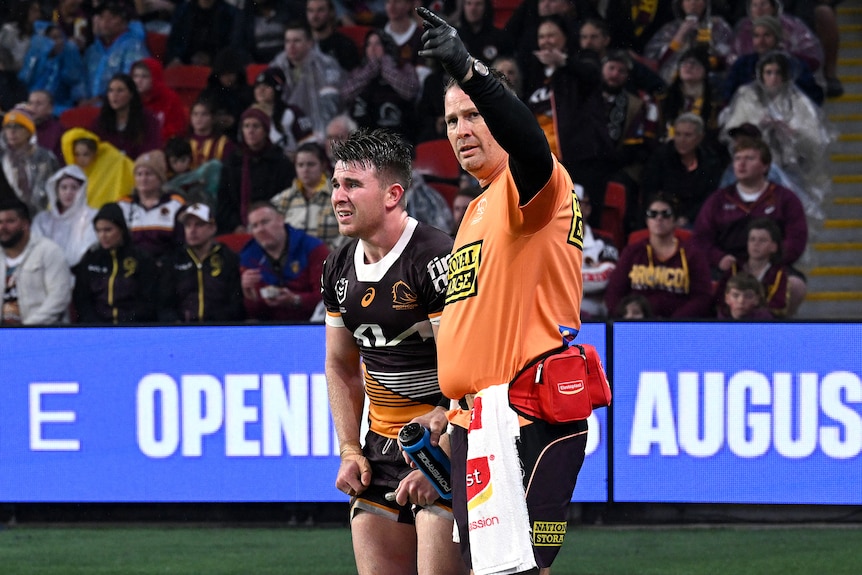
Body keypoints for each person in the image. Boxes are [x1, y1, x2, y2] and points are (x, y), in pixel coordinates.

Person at [418, 8, 588, 574]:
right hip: (475, 419)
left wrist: (470, 71)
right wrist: (450, 410)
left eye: (473, 115)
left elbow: (532, 146)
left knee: (517, 571)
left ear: (500, 116)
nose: (461, 130)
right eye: (451, 121)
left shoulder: (532, 181)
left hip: (524, 412)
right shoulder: (476, 208)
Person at [321, 128, 464, 575]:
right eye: (335, 184)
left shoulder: (437, 259)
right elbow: (341, 365)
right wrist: (349, 449)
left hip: (446, 444)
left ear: (392, 194)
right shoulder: (338, 266)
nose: (338, 197)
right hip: (380, 449)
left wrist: (441, 449)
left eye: (352, 185)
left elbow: (471, 370)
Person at [693, 137, 808, 304]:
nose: (741, 164)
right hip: (727, 266)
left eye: (749, 158)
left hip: (771, 265)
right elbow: (700, 239)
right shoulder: (718, 199)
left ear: (765, 166)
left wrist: (771, 260)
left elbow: (797, 239)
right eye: (738, 159)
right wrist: (718, 258)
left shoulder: (785, 198)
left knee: (796, 286)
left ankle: (776, 326)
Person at [720, 51, 833, 215]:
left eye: (778, 72)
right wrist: (758, 126)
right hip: (752, 169)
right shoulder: (747, 97)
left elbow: (815, 140)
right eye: (768, 72)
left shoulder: (798, 102)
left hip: (789, 167)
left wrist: (792, 134)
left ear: (786, 75)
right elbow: (732, 133)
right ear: (761, 74)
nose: (773, 78)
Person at [605, 193, 713, 318]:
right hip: (637, 325)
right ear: (647, 220)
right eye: (653, 214)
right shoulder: (632, 252)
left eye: (665, 214)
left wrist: (672, 323)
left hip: (678, 328)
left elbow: (702, 297)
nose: (659, 218)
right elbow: (614, 293)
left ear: (675, 220)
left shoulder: (693, 254)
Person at [239, 201, 328, 321]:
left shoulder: (313, 248)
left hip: (312, 323)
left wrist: (296, 299)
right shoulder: (248, 257)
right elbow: (254, 313)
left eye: (265, 222)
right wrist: (250, 297)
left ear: (281, 220)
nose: (260, 229)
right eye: (255, 226)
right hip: (269, 327)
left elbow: (327, 298)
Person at [158, 202, 245, 322]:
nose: (192, 230)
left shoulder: (228, 258)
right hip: (182, 330)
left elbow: (236, 303)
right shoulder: (174, 259)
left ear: (212, 228)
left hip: (220, 329)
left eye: (199, 225)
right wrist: (176, 323)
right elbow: (164, 304)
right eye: (188, 225)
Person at [73, 201, 159, 323]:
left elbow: (149, 300)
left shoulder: (141, 258)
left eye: (108, 230)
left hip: (134, 327)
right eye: (98, 231)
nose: (103, 235)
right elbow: (82, 300)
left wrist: (127, 323)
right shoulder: (91, 259)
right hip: (97, 328)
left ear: (121, 229)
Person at [216, 107, 296, 234]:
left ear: (265, 131)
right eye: (246, 126)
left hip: (272, 226)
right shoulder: (233, 161)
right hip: (239, 229)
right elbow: (224, 202)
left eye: (256, 126)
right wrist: (236, 226)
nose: (250, 131)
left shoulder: (280, 161)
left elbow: (285, 199)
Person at [640, 113, 724, 228]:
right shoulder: (661, 157)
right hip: (663, 215)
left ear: (700, 137)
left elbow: (710, 197)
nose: (681, 140)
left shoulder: (710, 161)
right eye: (678, 134)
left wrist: (687, 217)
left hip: (695, 217)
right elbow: (650, 192)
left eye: (688, 135)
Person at [0, 198, 72, 325]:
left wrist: (26, 330)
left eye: (10, 221)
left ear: (26, 224)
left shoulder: (49, 251)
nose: (3, 227)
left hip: (43, 334)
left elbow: (59, 298)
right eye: (0, 222)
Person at [269, 20, 345, 140]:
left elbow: (333, 103)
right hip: (287, 129)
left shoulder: (326, 64)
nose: (291, 46)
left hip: (321, 131)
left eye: (297, 41)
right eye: (287, 41)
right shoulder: (276, 66)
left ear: (309, 43)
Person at [722, 16, 822, 105]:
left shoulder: (796, 64)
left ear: (777, 38)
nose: (761, 41)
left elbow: (813, 97)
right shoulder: (742, 64)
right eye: (757, 36)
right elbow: (729, 96)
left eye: (767, 35)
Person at [341, 29, 419, 141]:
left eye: (377, 44)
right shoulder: (358, 72)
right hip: (362, 134)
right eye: (369, 44)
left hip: (397, 133)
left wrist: (386, 67)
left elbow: (410, 92)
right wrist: (370, 70)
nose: (372, 49)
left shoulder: (404, 68)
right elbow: (345, 94)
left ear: (387, 47)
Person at [714, 217, 796, 317]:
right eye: (752, 239)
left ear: (774, 247)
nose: (755, 244)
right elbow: (720, 299)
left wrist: (751, 313)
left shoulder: (778, 273)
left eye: (762, 240)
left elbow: (778, 306)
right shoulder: (734, 268)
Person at [270, 141, 344, 251]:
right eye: (300, 165)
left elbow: (350, 232)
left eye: (311, 164)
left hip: (331, 262)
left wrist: (328, 255)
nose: (305, 170)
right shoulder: (282, 199)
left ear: (323, 165)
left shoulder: (339, 195)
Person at [643, 0, 735, 84]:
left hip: (711, 83)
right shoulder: (669, 30)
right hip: (673, 85)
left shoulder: (718, 26)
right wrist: (678, 37)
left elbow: (731, 57)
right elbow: (654, 61)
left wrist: (710, 49)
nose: (693, 2)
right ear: (680, 3)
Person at [118, 149, 186, 261]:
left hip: (164, 267)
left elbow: (180, 243)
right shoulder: (123, 204)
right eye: (139, 174)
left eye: (149, 174)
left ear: (160, 178)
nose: (143, 179)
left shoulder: (175, 203)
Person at [82, 0, 149, 104]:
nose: (105, 21)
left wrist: (103, 98)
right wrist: (82, 99)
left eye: (112, 17)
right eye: (102, 17)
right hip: (87, 106)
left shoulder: (134, 46)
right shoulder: (92, 50)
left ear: (124, 22)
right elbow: (81, 80)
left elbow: (131, 82)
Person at [32, 164, 98, 268]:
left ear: (82, 190)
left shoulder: (91, 216)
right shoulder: (43, 219)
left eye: (74, 188)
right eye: (64, 187)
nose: (68, 192)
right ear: (56, 191)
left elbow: (87, 247)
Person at [731, 0, 822, 73]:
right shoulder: (742, 28)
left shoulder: (793, 26)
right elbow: (732, 60)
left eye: (763, 4)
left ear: (774, 7)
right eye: (754, 5)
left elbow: (812, 58)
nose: (759, 9)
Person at [1, 105, 60, 216]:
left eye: (18, 127)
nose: (12, 131)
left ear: (29, 131)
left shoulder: (44, 157)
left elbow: (53, 190)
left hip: (40, 216)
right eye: (8, 127)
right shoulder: (2, 157)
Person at [90, 73, 164, 160]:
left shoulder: (149, 121)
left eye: (120, 90)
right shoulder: (100, 122)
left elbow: (152, 153)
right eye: (111, 90)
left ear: (131, 94)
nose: (114, 95)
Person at [18, 24, 87, 114]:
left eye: (60, 37)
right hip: (33, 107)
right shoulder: (36, 61)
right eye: (53, 38)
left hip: (60, 108)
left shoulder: (69, 58)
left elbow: (75, 82)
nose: (58, 41)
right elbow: (26, 80)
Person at [60, 127, 135, 209]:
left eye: (86, 154)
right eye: (77, 154)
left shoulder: (110, 161)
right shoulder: (69, 173)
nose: (81, 159)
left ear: (94, 153)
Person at [251, 66, 315, 158]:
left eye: (267, 86)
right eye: (258, 86)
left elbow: (310, 146)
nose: (261, 90)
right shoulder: (250, 116)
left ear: (278, 89)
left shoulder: (292, 113)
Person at [578, 186, 618, 319]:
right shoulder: (548, 241)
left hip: (594, 316)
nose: (570, 207)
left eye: (577, 202)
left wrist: (561, 281)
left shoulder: (604, 241)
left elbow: (607, 277)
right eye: (565, 202)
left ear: (588, 209)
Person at [164, 0, 239, 67]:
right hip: (184, 63)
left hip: (216, 66)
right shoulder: (183, 10)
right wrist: (175, 58)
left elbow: (231, 46)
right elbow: (173, 42)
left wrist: (211, 58)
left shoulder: (230, 14)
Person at [131, 58, 189, 141]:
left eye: (144, 76)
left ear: (155, 78)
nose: (138, 81)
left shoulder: (170, 98)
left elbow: (176, 129)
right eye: (135, 76)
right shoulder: (129, 98)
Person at [163, 136, 222, 204]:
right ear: (168, 162)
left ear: (190, 158)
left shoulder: (197, 179)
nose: (179, 165)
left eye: (183, 160)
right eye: (174, 161)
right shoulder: (166, 181)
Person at [306, 0, 361, 71]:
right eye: (310, 11)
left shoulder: (345, 45)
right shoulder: (301, 44)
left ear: (331, 12)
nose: (314, 16)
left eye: (320, 10)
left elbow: (355, 78)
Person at [187, 97, 237, 167]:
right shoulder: (184, 141)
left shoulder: (224, 143)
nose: (198, 118)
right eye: (195, 114)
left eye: (204, 114)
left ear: (213, 118)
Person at [27, 90, 64, 163]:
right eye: (30, 103)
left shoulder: (59, 131)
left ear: (50, 108)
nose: (33, 107)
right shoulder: (23, 129)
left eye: (39, 104)